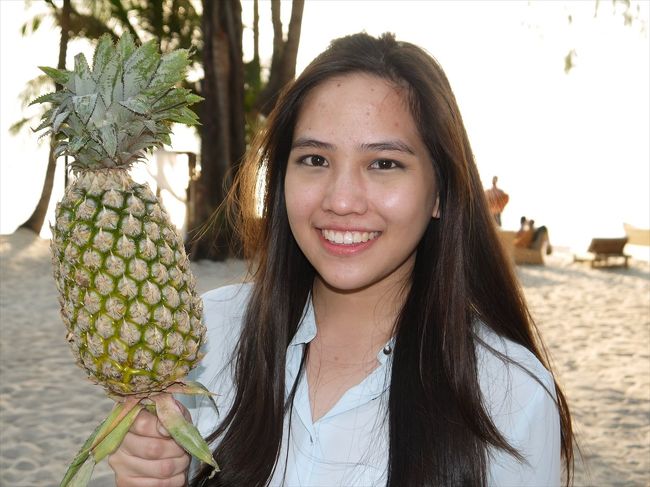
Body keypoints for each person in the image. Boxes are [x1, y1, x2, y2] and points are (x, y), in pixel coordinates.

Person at [108, 33, 574, 486]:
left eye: (384, 163)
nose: (342, 199)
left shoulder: (513, 395)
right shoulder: (204, 337)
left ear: (441, 191)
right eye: (315, 159)